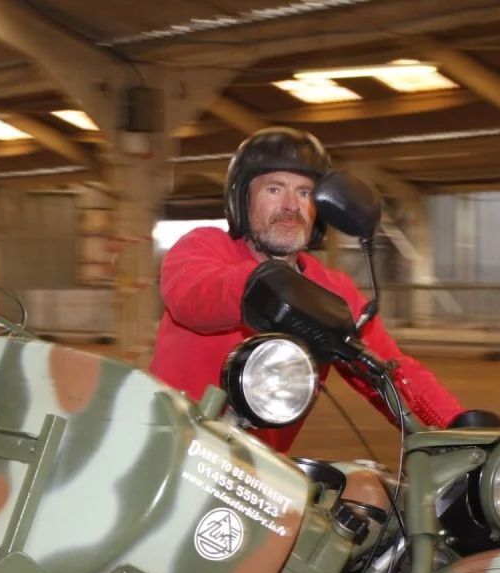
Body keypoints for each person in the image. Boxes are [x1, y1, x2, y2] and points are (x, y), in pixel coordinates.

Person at [150, 126, 466, 453]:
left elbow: (390, 371)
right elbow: (193, 297)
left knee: (369, 491)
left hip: (256, 473)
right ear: (242, 199)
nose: (291, 206)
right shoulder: (203, 247)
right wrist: (267, 287)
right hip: (169, 451)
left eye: (304, 193)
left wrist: (461, 429)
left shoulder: (333, 291)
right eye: (274, 190)